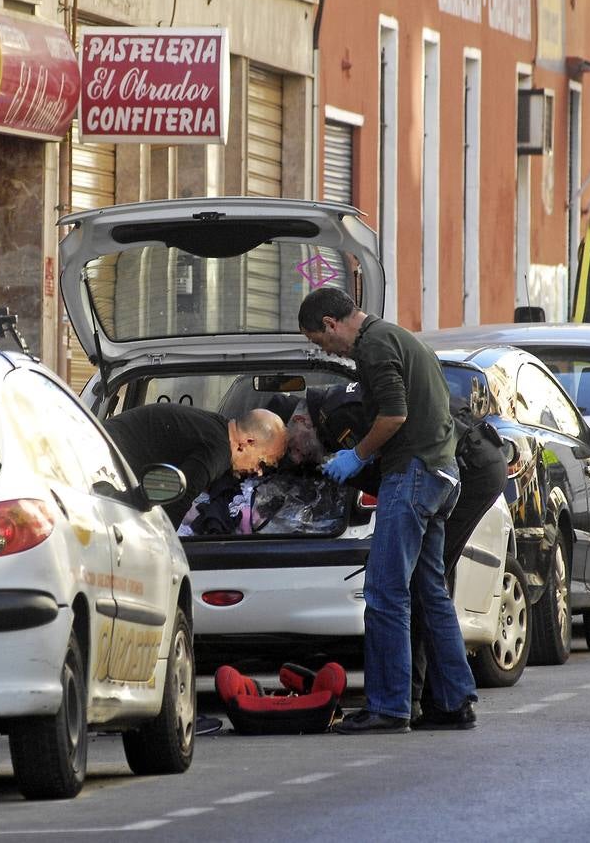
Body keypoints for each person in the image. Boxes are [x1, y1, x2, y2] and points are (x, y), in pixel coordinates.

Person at [298, 287, 477, 734]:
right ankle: (455, 701)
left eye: (321, 342)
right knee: (430, 592)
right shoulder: (399, 336)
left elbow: (394, 415)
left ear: (331, 324)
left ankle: (389, 707)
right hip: (442, 473)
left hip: (413, 474)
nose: (327, 351)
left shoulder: (374, 346)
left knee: (384, 592)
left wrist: (355, 455)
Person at [103, 403, 288, 528]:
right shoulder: (217, 451)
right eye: (263, 461)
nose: (259, 471)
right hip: (99, 460)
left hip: (98, 443)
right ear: (247, 442)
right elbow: (176, 496)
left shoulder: (214, 426)